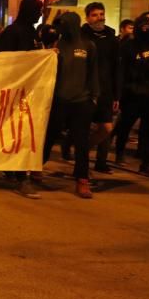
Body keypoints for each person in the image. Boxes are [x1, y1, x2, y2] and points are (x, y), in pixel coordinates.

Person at [43, 13, 100, 199]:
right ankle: (35, 168)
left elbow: (93, 72)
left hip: (81, 102)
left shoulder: (88, 46)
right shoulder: (57, 46)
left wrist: (94, 97)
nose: (61, 29)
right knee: (50, 136)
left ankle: (82, 180)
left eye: (64, 25)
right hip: (59, 100)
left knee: (81, 143)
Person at [0, 0, 45, 198]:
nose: (40, 14)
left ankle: (15, 171)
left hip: (29, 93)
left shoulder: (32, 32)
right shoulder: (12, 32)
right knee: (18, 134)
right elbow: (2, 60)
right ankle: (21, 177)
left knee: (23, 134)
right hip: (14, 93)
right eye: (38, 10)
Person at [114, 15, 149, 179]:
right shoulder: (128, 46)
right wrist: (118, 95)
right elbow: (121, 72)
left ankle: (148, 162)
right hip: (132, 94)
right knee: (125, 125)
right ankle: (120, 151)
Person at [79, 3, 121, 174]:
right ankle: (82, 164)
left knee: (106, 128)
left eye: (101, 14)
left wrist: (117, 94)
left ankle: (93, 157)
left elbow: (117, 67)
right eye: (95, 15)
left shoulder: (111, 37)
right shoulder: (82, 37)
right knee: (83, 127)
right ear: (88, 18)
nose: (99, 17)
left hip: (106, 90)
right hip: (86, 91)